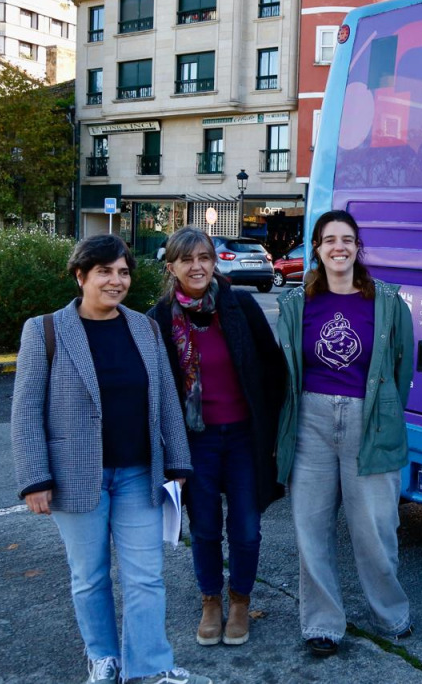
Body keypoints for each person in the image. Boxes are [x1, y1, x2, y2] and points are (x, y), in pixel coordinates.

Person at [10, 234, 212, 684]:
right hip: (73, 478)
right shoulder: (44, 329)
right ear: (81, 276)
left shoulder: (144, 327)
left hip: (140, 474)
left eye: (123, 272)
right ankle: (103, 658)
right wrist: (34, 478)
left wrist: (178, 465)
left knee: (146, 577)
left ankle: (150, 665)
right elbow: (25, 410)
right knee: (90, 576)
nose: (116, 280)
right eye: (104, 271)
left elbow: (164, 401)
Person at [275, 210, 415, 657]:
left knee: (375, 529)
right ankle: (322, 623)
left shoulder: (389, 303)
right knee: (311, 528)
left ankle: (390, 613)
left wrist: (384, 413)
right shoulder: (297, 305)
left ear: (358, 248)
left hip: (369, 420)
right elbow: (287, 369)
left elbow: (402, 367)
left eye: (348, 240)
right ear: (316, 248)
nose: (339, 247)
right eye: (329, 240)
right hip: (310, 423)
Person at [149, 227, 287, 647]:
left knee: (246, 527)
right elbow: (155, 388)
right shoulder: (158, 318)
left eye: (205, 258)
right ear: (171, 266)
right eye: (187, 259)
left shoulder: (239, 305)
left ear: (214, 262)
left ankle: (240, 599)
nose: (197, 267)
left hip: (245, 437)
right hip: (196, 442)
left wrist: (273, 432)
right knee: (206, 528)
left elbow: (273, 368)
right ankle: (211, 599)